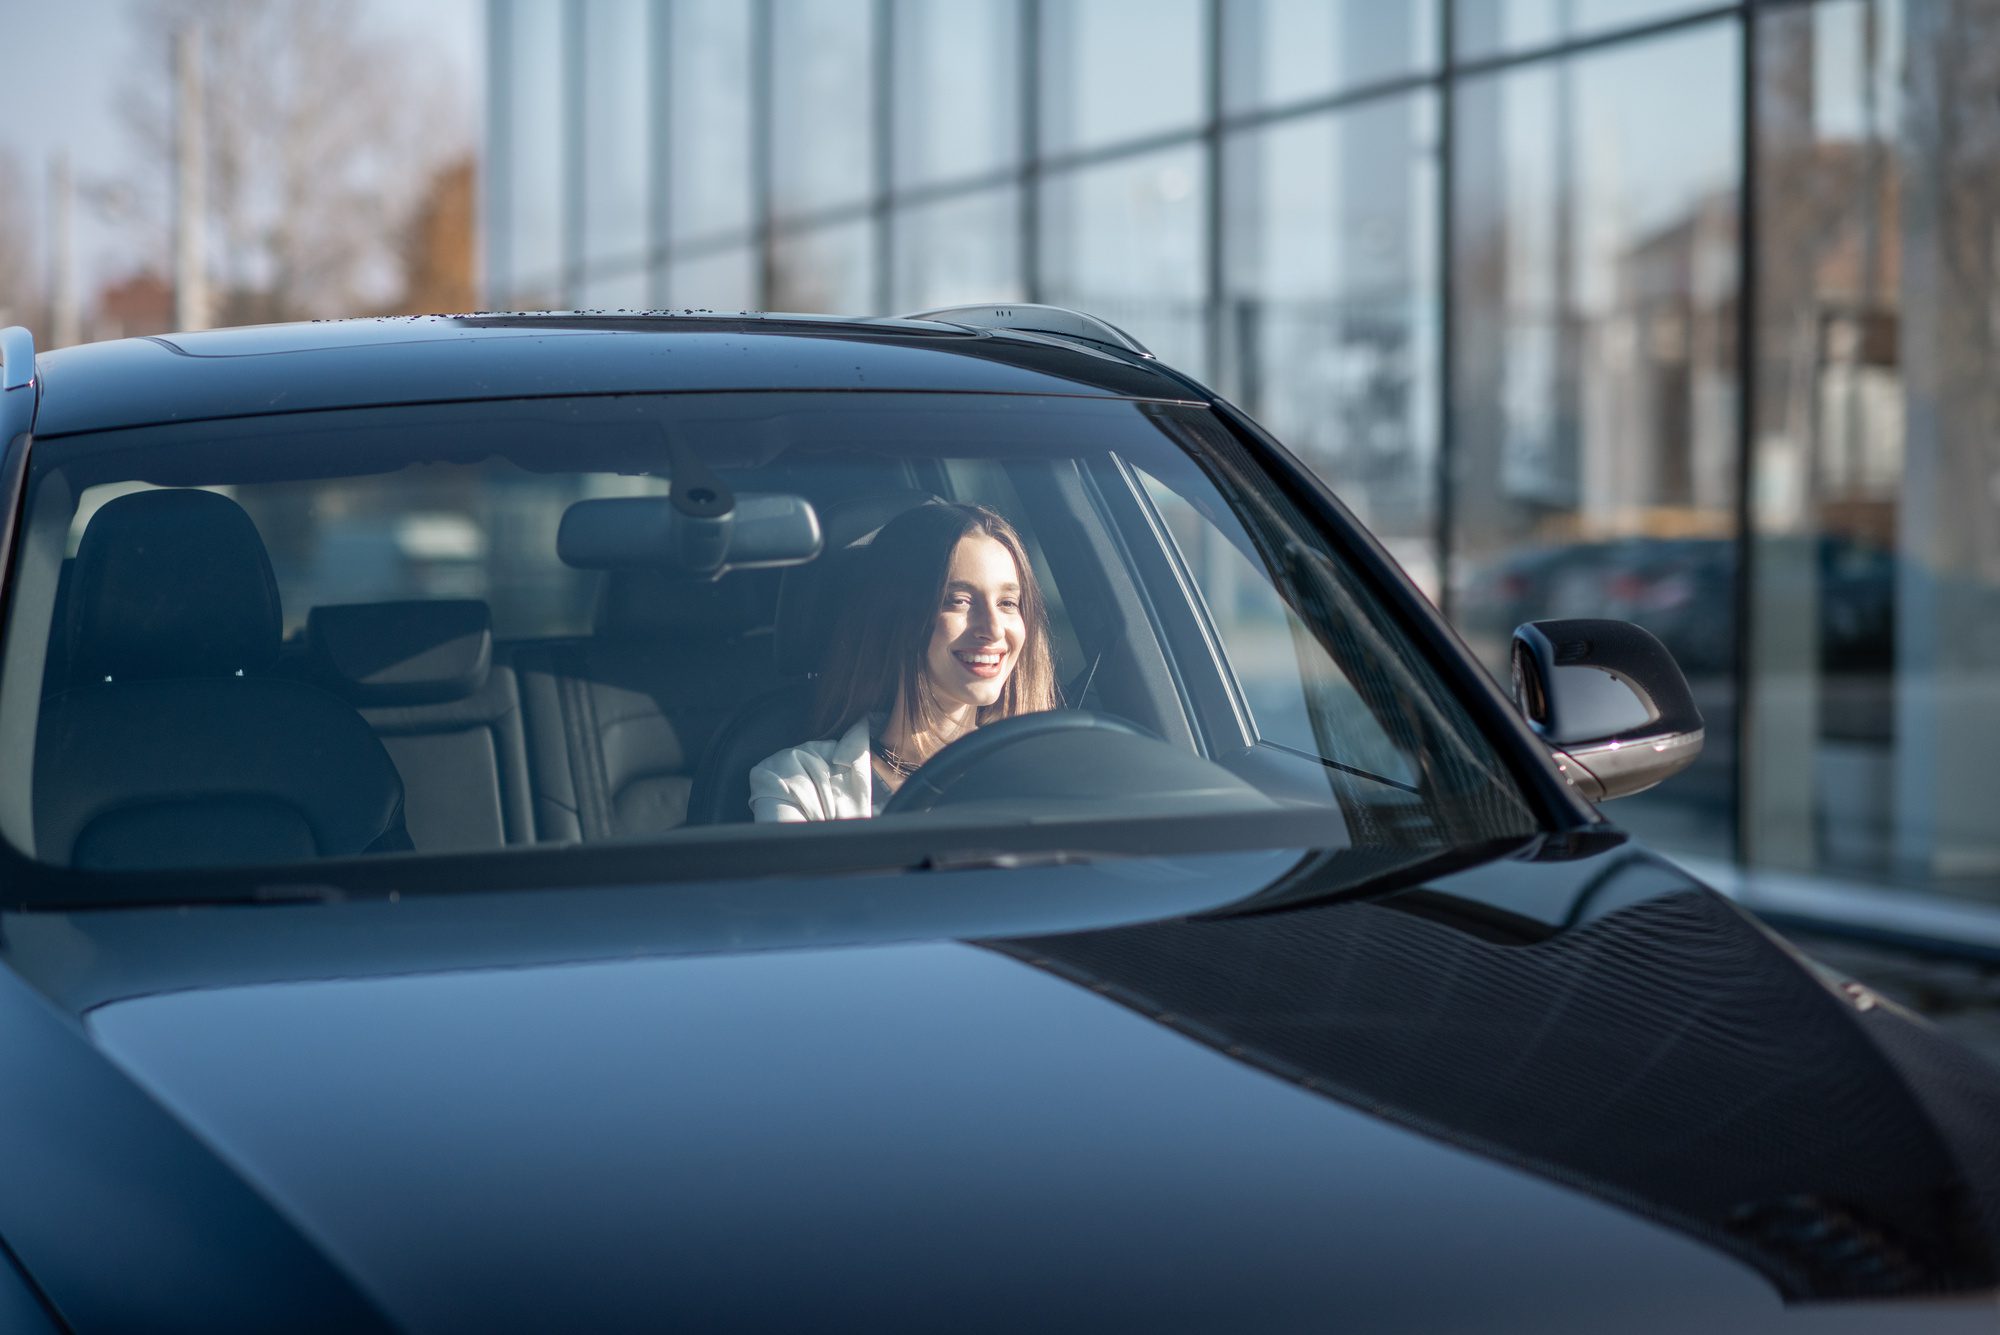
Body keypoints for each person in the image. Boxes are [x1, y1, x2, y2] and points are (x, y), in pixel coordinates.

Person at [748, 501, 1058, 821]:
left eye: (1008, 603)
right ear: (895, 616)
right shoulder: (802, 783)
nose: (993, 629)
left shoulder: (1051, 775)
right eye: (958, 601)